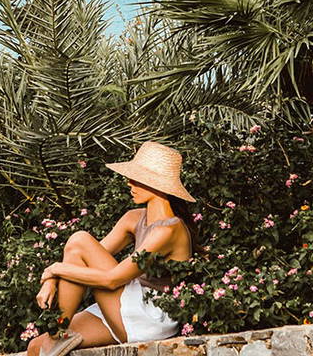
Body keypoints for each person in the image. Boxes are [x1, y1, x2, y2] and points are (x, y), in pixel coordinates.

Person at [25, 141, 195, 356]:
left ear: (158, 184)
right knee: (35, 347)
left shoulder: (169, 230)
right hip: (125, 304)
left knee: (79, 238)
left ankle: (58, 331)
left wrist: (53, 269)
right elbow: (77, 257)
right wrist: (50, 277)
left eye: (138, 179)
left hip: (151, 314)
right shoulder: (133, 218)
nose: (129, 184)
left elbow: (112, 279)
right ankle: (58, 331)